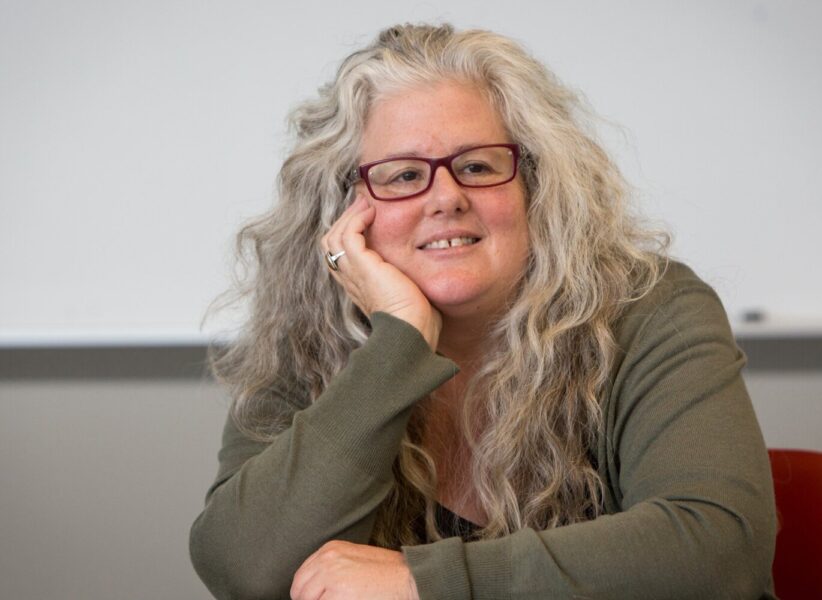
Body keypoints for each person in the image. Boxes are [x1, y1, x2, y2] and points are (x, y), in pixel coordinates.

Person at [189, 23, 777, 600]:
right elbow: (243, 569)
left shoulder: (650, 310)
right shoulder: (307, 336)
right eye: (404, 176)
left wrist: (423, 583)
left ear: (535, 189)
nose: (446, 198)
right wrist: (397, 344)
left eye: (477, 166)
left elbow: (718, 551)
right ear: (343, 211)